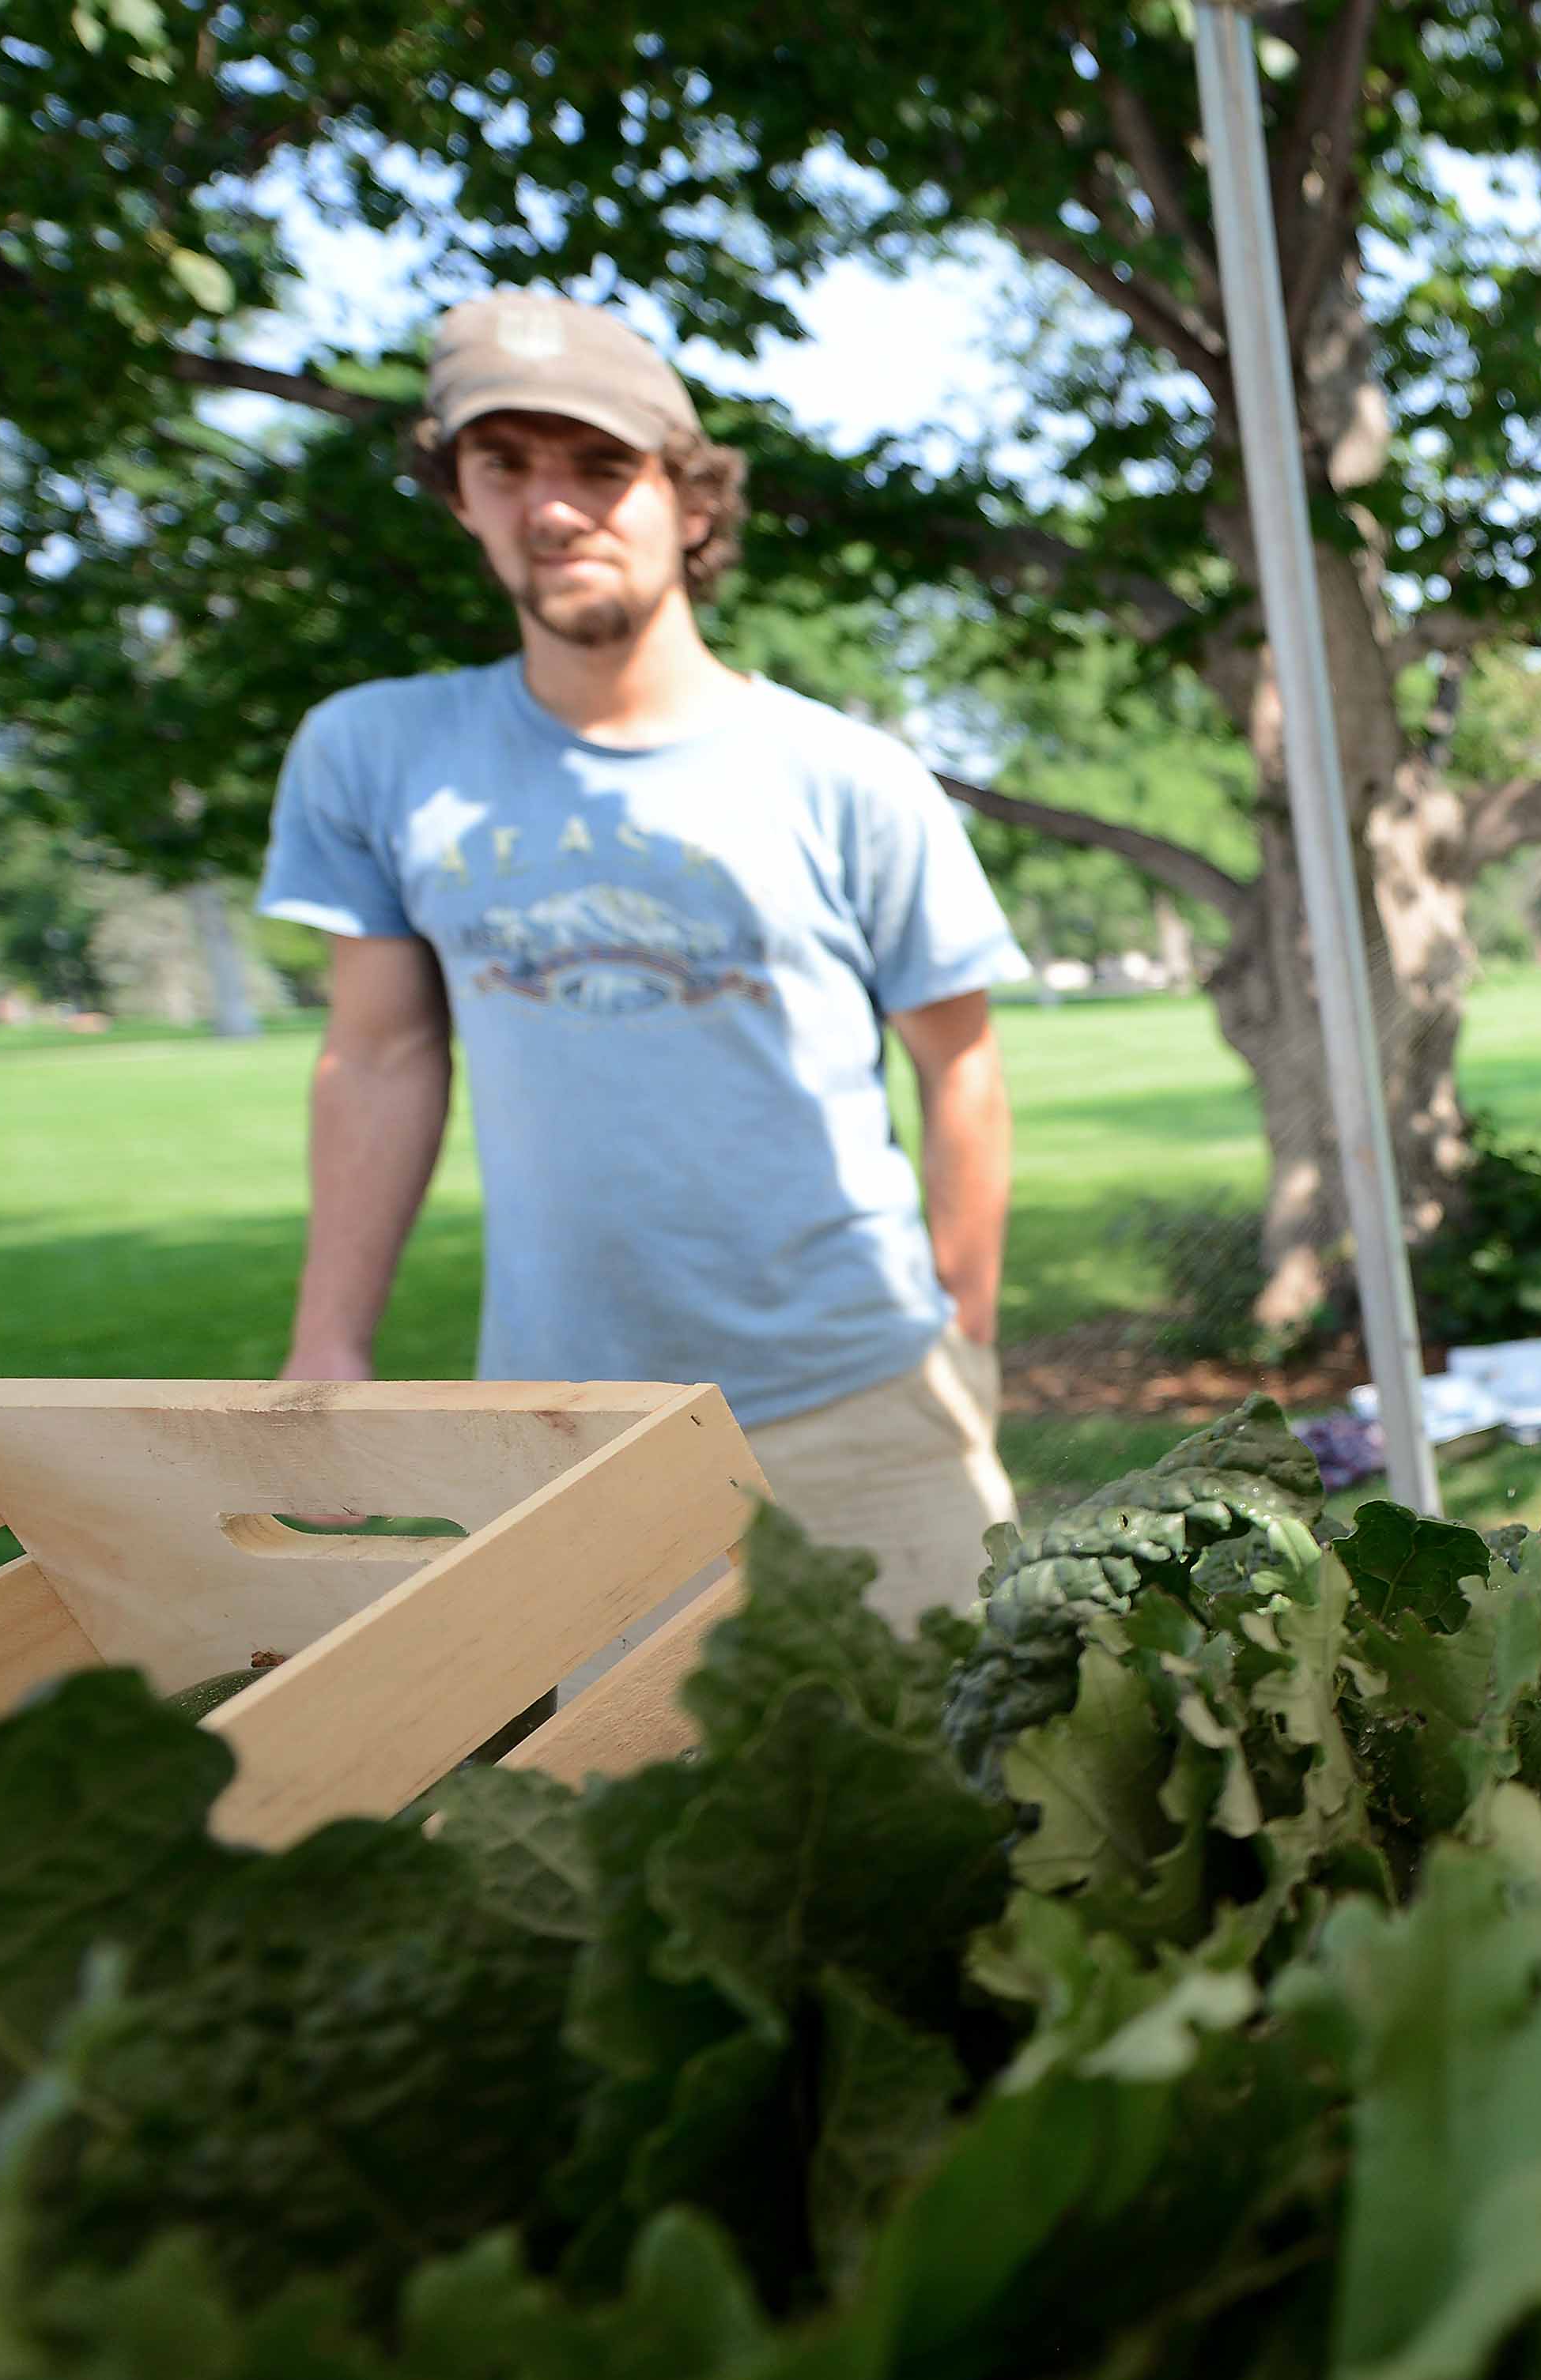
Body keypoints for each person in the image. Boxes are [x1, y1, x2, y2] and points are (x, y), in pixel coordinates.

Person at [259, 291, 1028, 1624]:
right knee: (623, 1766)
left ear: (690, 496)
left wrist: (965, 1337)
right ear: (459, 496)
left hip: (866, 1402)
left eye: (601, 466)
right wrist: (329, 1343)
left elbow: (960, 1066)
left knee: (965, 1756)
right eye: (505, 465)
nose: (554, 507)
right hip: (567, 1426)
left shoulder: (850, 776)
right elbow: (379, 1055)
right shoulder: (376, 755)